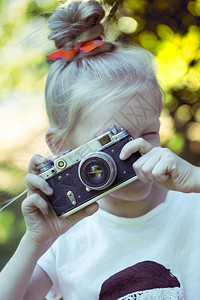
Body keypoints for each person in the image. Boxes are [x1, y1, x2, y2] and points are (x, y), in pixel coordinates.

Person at [0, 0, 200, 299]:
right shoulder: (63, 241)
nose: (134, 152)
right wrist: (35, 241)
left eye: (149, 133)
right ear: (61, 147)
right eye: (111, 143)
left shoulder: (192, 207)